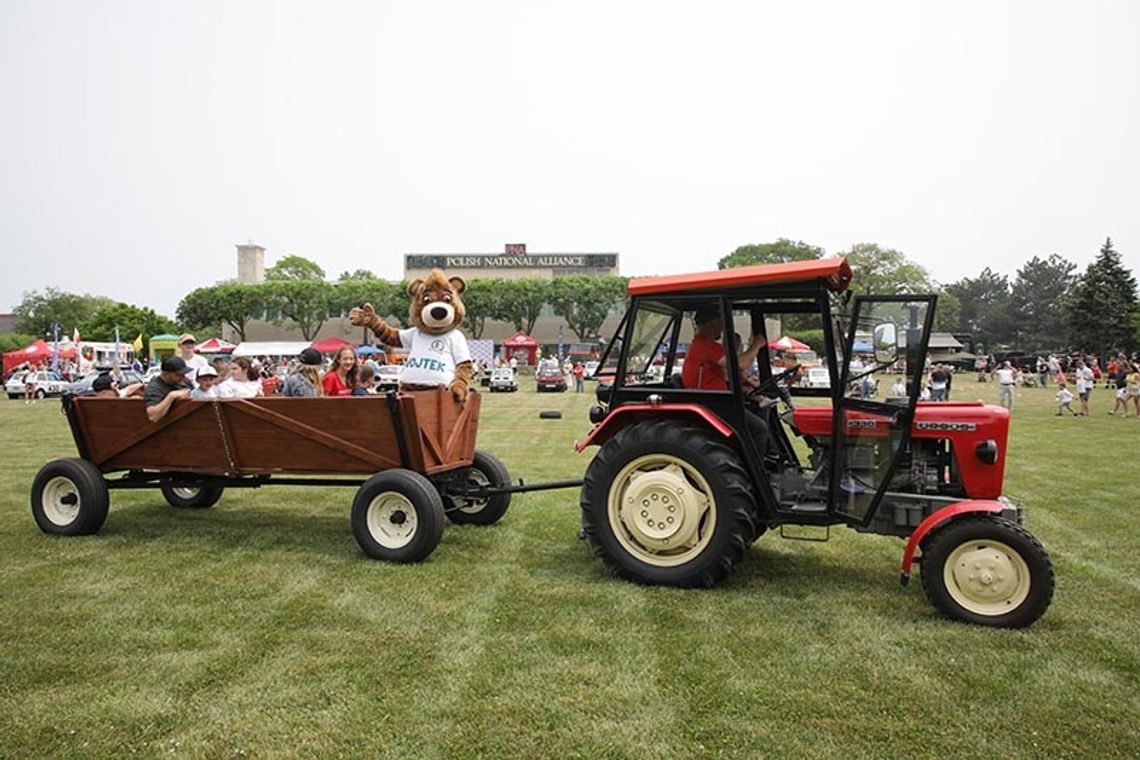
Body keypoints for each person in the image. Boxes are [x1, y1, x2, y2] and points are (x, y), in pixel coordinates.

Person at [680, 302, 770, 453]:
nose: (722, 329)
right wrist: (756, 345)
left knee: (755, 412)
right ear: (713, 323)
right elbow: (739, 365)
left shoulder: (702, 346)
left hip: (717, 399)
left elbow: (720, 377)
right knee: (759, 429)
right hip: (713, 404)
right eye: (721, 323)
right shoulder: (707, 346)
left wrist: (744, 389)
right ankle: (752, 472)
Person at [144, 356, 192, 423]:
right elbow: (153, 416)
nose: (183, 377)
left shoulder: (184, 381)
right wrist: (171, 396)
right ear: (166, 374)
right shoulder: (154, 388)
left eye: (184, 374)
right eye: (178, 375)